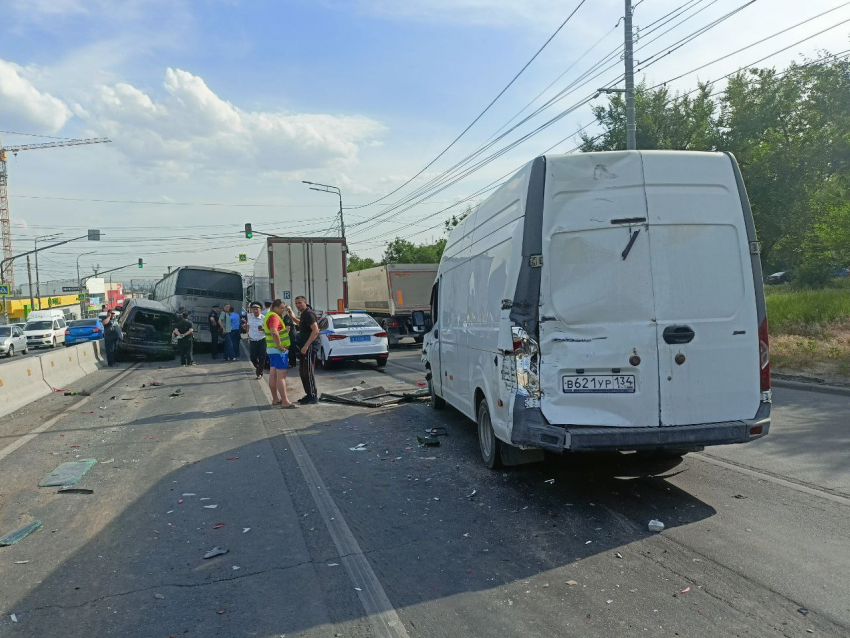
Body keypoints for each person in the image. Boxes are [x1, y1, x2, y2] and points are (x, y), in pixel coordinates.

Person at [264, 299, 297, 408]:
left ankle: (275, 399)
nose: (283, 310)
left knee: (273, 374)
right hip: (278, 351)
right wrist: (280, 346)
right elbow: (274, 331)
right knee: (281, 376)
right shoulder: (274, 316)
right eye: (281, 308)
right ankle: (285, 401)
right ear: (275, 307)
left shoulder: (269, 315)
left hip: (271, 349)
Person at [288, 295, 320, 404]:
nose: (298, 305)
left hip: (310, 346)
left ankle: (313, 396)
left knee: (308, 372)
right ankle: (308, 394)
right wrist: (292, 317)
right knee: (303, 372)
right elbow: (300, 325)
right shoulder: (303, 314)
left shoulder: (309, 313)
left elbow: (315, 330)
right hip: (303, 347)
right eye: (296, 303)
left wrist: (306, 346)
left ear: (305, 303)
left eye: (300, 303)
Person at [247, 302, 266, 379]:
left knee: (262, 357)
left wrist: (263, 329)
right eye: (253, 309)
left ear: (260, 310)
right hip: (253, 340)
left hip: (262, 339)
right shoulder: (249, 316)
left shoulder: (264, 318)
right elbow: (248, 325)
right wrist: (247, 333)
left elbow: (268, 329)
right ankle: (258, 367)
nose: (255, 311)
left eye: (257, 309)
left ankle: (259, 372)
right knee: (252, 357)